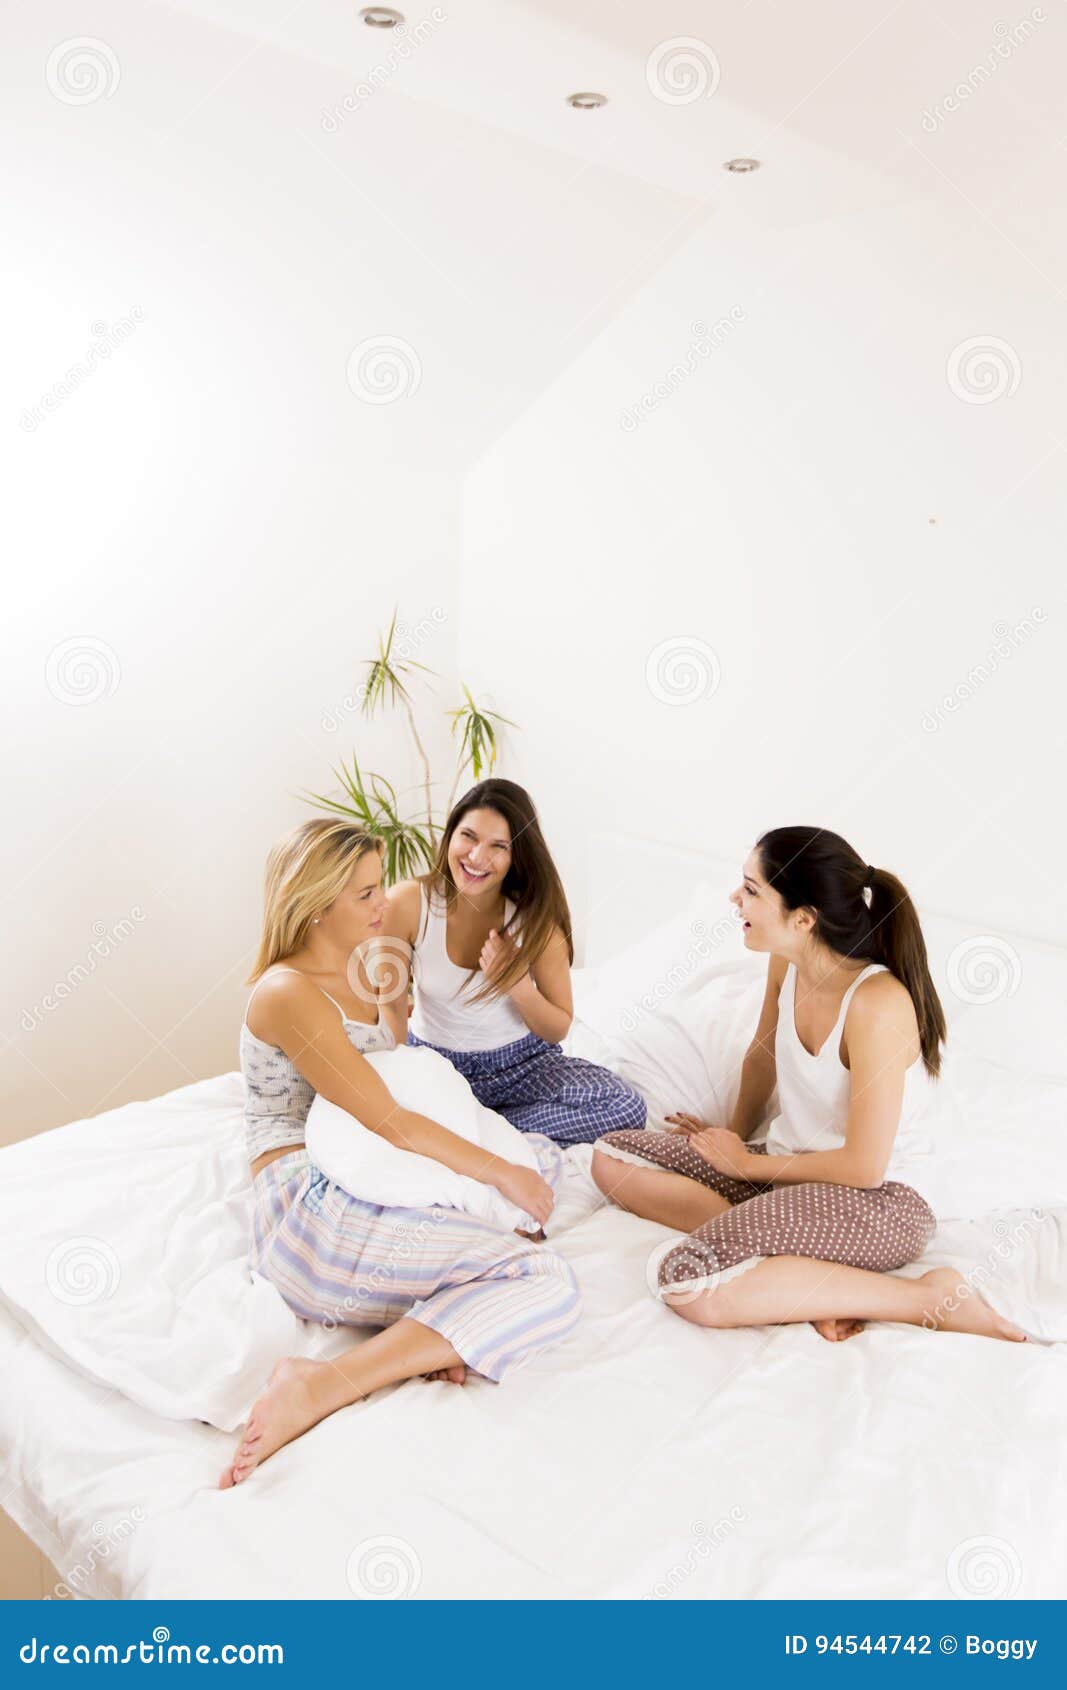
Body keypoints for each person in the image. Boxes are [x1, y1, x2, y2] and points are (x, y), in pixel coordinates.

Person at [220, 818, 581, 1488]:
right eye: (364, 893)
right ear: (316, 903)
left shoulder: (364, 963)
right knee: (544, 1282)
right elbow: (387, 1119)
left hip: (366, 1179)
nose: (383, 902)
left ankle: (427, 1336)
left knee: (544, 1174)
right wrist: (498, 1175)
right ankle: (321, 1383)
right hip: (309, 1209)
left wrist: (395, 1001)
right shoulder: (287, 992)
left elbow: (404, 1071)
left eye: (378, 885)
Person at [592, 826, 1027, 1345]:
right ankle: (809, 1279)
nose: (736, 899)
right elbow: (761, 1059)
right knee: (610, 1158)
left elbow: (864, 1168)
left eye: (752, 890)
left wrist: (746, 1164)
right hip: (789, 1173)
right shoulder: (788, 960)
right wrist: (726, 1144)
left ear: (803, 919)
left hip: (881, 1201)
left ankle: (926, 1297)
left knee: (686, 1279)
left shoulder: (877, 1005)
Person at [380, 779, 646, 1145]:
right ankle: (472, 1126)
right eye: (468, 836)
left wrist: (517, 985)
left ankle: (475, 1129)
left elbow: (557, 1028)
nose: (476, 857)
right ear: (450, 836)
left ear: (515, 856)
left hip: (521, 1067)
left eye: (498, 846)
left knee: (625, 1107)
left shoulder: (535, 922)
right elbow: (391, 1006)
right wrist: (402, 1076)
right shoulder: (408, 904)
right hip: (436, 1063)